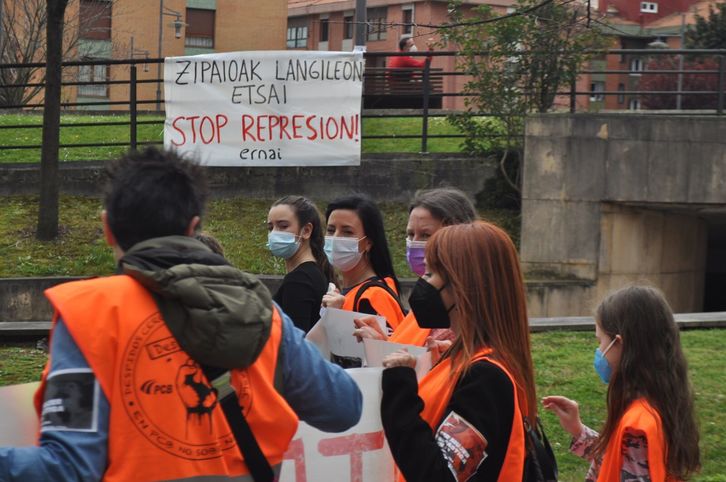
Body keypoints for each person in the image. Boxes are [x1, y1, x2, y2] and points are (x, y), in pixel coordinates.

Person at [0, 147, 362, 481]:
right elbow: (344, 407)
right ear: (192, 228)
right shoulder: (264, 314)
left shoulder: (88, 315)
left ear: (108, 228)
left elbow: (68, 468)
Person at [380, 221, 538, 481]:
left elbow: (439, 475)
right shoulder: (466, 359)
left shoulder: (486, 378)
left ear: (461, 285)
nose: (423, 283)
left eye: (430, 274)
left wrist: (400, 391)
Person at [543, 285, 701, 482]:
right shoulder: (659, 403)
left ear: (619, 343)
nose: (599, 350)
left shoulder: (636, 427)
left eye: (600, 341)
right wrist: (578, 430)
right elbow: (617, 458)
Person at [353, 187, 477, 355]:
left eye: (426, 235)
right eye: (410, 234)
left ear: (456, 237)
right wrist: (382, 344)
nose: (414, 243)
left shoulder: (464, 316)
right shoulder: (426, 301)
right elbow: (409, 355)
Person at [321, 194, 406, 331]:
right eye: (331, 230)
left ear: (368, 242)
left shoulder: (374, 297)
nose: (335, 238)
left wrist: (337, 317)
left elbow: (383, 350)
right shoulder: (347, 292)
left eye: (347, 232)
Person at [267, 195, 334, 333]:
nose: (274, 234)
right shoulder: (316, 272)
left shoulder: (299, 280)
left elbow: (295, 342)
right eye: (270, 227)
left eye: (283, 226)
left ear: (306, 230)